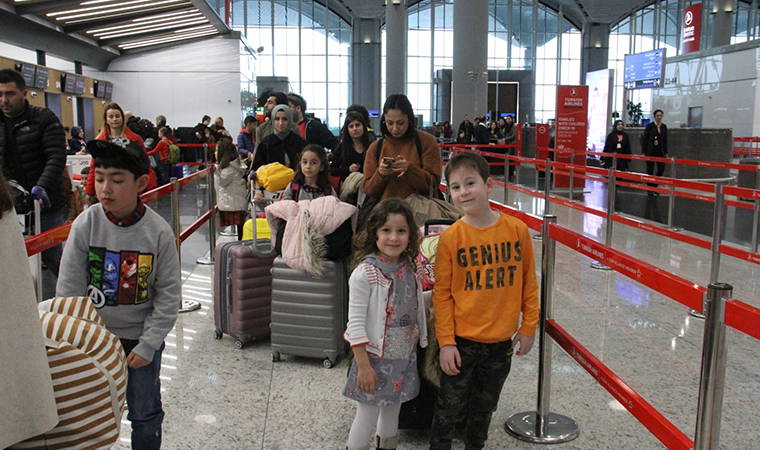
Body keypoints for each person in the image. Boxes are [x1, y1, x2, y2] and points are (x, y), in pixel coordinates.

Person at [56, 139, 180, 450]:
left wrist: (149, 344)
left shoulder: (158, 232)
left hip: (140, 341)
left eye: (117, 180)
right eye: (99, 178)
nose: (105, 188)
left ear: (141, 183)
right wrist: (79, 342)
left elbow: (168, 295)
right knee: (89, 415)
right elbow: (69, 290)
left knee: (145, 412)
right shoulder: (86, 224)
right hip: (93, 341)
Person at [429, 151, 539, 450]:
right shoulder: (451, 238)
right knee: (448, 408)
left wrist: (529, 326)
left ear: (488, 185)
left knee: (484, 409)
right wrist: (446, 342)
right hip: (461, 342)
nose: (463, 192)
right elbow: (442, 295)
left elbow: (529, 282)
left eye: (470, 183)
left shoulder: (516, 230)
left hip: (501, 343)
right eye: (455, 187)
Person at [343, 198, 428, 450]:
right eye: (386, 230)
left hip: (403, 358)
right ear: (375, 233)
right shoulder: (365, 273)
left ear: (410, 235)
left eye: (401, 230)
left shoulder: (410, 267)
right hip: (372, 361)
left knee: (393, 412)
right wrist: (363, 366)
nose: (393, 237)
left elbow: (411, 302)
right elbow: (355, 324)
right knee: (367, 416)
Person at [0, 68, 67, 279]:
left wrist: (42, 185)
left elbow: (56, 155)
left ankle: (77, 293)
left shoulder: (44, 118)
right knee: (11, 258)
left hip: (46, 202)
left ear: (24, 93)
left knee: (52, 256)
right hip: (10, 204)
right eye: (0, 94)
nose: (4, 100)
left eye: (10, 94)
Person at [363, 94, 442, 201]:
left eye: (400, 123)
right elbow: (368, 190)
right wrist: (380, 174)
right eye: (390, 123)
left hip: (419, 209)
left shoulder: (427, 142)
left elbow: (433, 184)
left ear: (409, 119)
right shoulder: (375, 148)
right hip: (386, 209)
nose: (395, 129)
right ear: (384, 121)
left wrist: (410, 170)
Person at [85, 102, 157, 202]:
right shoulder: (100, 142)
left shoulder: (135, 139)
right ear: (106, 120)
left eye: (117, 116)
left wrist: (150, 187)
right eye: (111, 117)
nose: (114, 119)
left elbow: (145, 163)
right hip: (108, 188)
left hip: (131, 186)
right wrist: (90, 190)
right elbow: (94, 166)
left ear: (122, 118)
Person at [214, 138, 248, 240]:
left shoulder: (228, 169)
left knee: (240, 230)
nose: (215, 153)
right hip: (237, 201)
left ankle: (240, 244)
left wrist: (216, 170)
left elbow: (221, 182)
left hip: (232, 203)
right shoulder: (235, 164)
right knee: (241, 229)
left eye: (217, 150)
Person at [330, 111, 372, 182]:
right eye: (351, 126)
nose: (355, 129)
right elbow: (332, 170)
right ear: (347, 130)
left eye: (357, 125)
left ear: (363, 127)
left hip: (368, 182)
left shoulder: (371, 145)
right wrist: (348, 169)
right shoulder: (342, 147)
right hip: (349, 183)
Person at [642, 109, 668, 193]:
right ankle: (650, 188)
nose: (659, 117)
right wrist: (644, 152)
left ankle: (655, 186)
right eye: (657, 115)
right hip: (651, 151)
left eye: (660, 115)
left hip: (660, 152)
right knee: (650, 170)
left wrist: (666, 152)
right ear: (654, 116)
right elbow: (645, 139)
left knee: (661, 169)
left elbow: (665, 140)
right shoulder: (650, 126)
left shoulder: (664, 127)